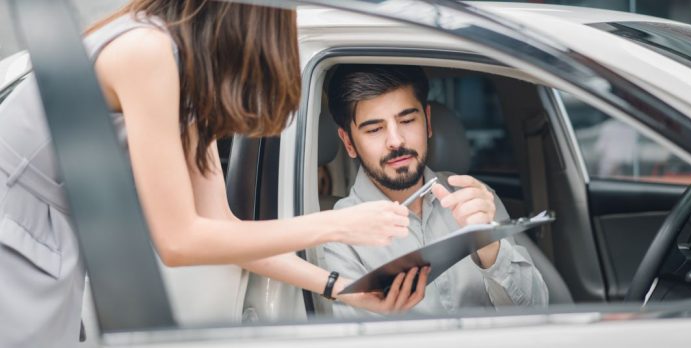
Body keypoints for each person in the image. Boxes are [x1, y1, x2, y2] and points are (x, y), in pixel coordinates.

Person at [0, 2, 425, 347]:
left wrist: (342, 286)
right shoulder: (148, 51)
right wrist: (337, 224)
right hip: (17, 242)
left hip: (47, 245)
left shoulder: (182, 71)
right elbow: (179, 241)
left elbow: (223, 232)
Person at [323, 64, 549, 317]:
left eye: (407, 120)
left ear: (427, 122)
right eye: (375, 129)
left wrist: (490, 249)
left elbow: (537, 309)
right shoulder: (340, 232)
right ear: (349, 143)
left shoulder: (473, 195)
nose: (396, 141)